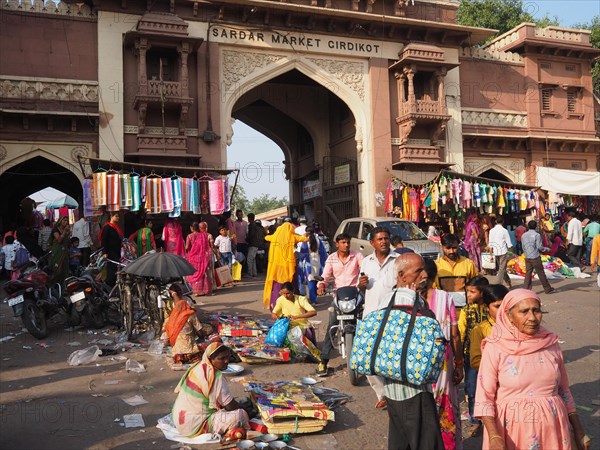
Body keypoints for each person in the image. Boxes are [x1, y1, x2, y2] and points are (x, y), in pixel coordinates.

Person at [474, 289, 591, 450]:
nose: (532, 317)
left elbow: (564, 390)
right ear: (509, 315)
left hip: (554, 429)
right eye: (524, 311)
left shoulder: (550, 343)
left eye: (536, 310)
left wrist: (578, 430)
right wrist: (494, 436)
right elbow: (484, 396)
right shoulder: (495, 346)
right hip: (512, 431)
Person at [376, 253, 445, 450]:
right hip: (415, 391)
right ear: (402, 275)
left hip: (392, 388)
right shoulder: (415, 303)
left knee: (400, 442)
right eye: (418, 271)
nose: (424, 274)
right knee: (426, 443)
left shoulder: (386, 300)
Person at [420, 259, 463, 450]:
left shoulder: (408, 300)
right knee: (445, 407)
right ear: (434, 276)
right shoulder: (445, 298)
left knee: (422, 409)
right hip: (443, 365)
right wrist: (459, 364)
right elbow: (455, 334)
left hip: (418, 363)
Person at [358, 227, 399, 409]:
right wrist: (361, 285)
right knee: (367, 360)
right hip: (371, 316)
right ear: (372, 243)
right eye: (380, 239)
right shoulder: (367, 262)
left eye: (386, 238)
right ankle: (382, 393)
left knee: (392, 358)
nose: (383, 241)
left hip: (393, 316)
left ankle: (395, 396)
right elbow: (362, 289)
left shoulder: (398, 260)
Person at [171, 342, 250, 437]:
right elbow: (230, 407)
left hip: (179, 419)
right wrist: (246, 410)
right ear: (210, 359)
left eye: (227, 357)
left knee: (238, 405)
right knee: (240, 415)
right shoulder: (215, 376)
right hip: (194, 425)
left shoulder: (198, 366)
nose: (226, 361)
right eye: (221, 358)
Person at [316, 233, 364, 376]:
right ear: (337, 244)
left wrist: (363, 280)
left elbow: (364, 271)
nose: (346, 245)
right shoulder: (331, 258)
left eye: (348, 242)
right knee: (331, 326)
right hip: (339, 295)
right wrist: (321, 285)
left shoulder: (357, 256)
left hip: (355, 294)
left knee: (366, 322)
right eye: (343, 242)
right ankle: (323, 362)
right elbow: (325, 275)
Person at [458, 275, 490, 435]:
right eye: (467, 292)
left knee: (492, 389)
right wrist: (459, 356)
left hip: (491, 357)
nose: (468, 295)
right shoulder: (465, 310)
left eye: (472, 292)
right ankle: (475, 420)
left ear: (482, 293)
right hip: (471, 356)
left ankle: (493, 419)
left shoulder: (492, 309)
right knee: (471, 389)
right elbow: (461, 333)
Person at [162, 283, 215, 364]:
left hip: (177, 354)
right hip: (191, 352)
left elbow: (166, 336)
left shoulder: (171, 319)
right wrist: (202, 334)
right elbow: (200, 332)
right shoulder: (190, 314)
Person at [263, 222, 307, 310]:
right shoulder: (292, 236)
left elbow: (266, 237)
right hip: (289, 267)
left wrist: (266, 232)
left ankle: (276, 306)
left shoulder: (275, 236)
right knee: (291, 286)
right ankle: (293, 305)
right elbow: (304, 239)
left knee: (277, 287)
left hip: (276, 267)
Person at [469, 284, 509, 371]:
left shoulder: (516, 325)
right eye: (497, 306)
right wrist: (503, 369)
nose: (502, 310)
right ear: (486, 307)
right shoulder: (479, 330)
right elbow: (475, 361)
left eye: (505, 306)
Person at [434, 233, 478, 312]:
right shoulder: (436, 266)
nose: (451, 251)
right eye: (448, 248)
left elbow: (476, 286)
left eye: (454, 248)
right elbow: (433, 290)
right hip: (444, 310)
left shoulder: (468, 264)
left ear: (458, 246)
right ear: (442, 247)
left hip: (465, 311)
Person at [521, 220, 555, 294]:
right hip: (535, 257)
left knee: (528, 273)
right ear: (536, 227)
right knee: (541, 273)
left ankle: (526, 289)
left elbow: (523, 246)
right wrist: (547, 249)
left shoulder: (524, 235)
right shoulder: (537, 235)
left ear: (528, 226)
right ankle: (547, 288)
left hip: (527, 256)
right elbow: (540, 247)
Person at [296, 226, 328, 305]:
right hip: (318, 264)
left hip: (309, 265)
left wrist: (300, 262)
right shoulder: (318, 240)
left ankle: (312, 300)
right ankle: (314, 298)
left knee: (310, 282)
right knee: (316, 281)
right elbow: (323, 253)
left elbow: (303, 253)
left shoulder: (305, 241)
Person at [187, 222, 219, 296]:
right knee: (207, 272)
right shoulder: (207, 235)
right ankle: (210, 288)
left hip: (195, 256)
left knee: (197, 273)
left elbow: (187, 247)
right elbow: (212, 246)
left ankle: (197, 290)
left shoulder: (191, 236)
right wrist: (217, 254)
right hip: (207, 256)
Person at [487, 216, 513, 289]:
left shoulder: (491, 230)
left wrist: (491, 251)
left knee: (501, 268)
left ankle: (501, 284)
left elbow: (490, 242)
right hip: (503, 251)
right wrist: (512, 252)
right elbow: (509, 243)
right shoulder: (504, 230)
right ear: (503, 222)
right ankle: (502, 283)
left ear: (496, 222)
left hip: (496, 251)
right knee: (502, 269)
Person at [101, 212, 123, 287]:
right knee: (112, 271)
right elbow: (103, 240)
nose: (118, 218)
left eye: (118, 216)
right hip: (110, 253)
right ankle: (108, 287)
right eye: (116, 216)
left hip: (116, 252)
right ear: (111, 216)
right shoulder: (107, 227)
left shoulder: (116, 227)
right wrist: (104, 252)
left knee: (116, 270)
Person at [48, 216, 71, 285]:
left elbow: (68, 242)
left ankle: (63, 287)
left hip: (64, 252)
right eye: (64, 220)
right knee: (57, 269)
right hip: (57, 252)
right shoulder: (56, 229)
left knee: (65, 270)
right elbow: (59, 240)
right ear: (60, 221)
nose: (65, 222)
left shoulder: (66, 230)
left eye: (67, 221)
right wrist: (64, 232)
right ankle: (53, 286)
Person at [246, 214, 265, 278]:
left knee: (249, 259)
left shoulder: (252, 225)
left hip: (252, 244)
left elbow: (251, 235)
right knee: (253, 259)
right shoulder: (258, 226)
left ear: (249, 218)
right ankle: (254, 273)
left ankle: (250, 273)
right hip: (256, 245)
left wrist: (247, 239)